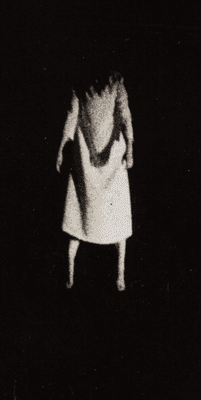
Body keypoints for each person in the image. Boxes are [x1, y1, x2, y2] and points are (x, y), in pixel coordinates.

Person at [58, 69, 134, 290]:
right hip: (86, 159)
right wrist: (62, 148)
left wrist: (129, 149)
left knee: (118, 215)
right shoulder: (81, 84)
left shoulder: (116, 83)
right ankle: (70, 272)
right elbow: (72, 116)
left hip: (111, 159)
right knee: (78, 213)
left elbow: (124, 115)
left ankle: (120, 274)